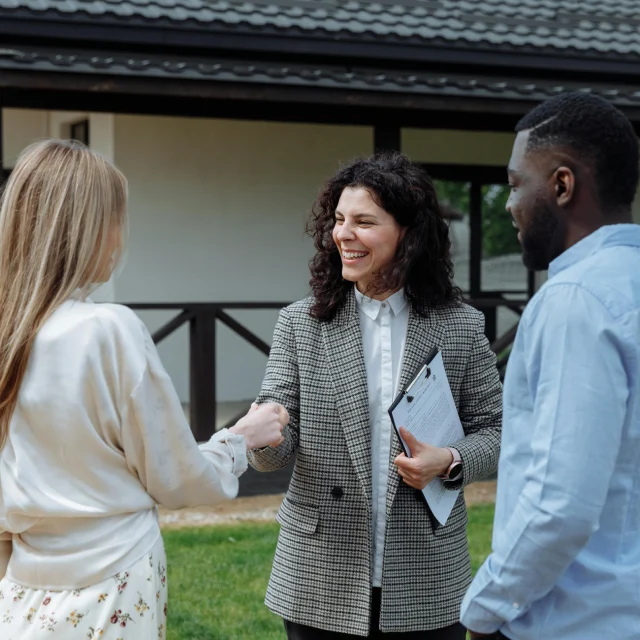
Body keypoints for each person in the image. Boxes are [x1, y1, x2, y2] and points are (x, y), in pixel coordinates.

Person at [0, 139, 288, 639]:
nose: (119, 237)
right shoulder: (107, 330)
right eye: (115, 219)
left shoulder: (11, 334)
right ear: (87, 228)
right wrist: (239, 440)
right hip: (112, 579)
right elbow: (174, 476)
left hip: (24, 582)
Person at [249, 152, 503, 639]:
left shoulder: (462, 327)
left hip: (426, 574)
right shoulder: (300, 324)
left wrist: (449, 460)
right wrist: (261, 435)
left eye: (364, 222)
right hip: (320, 572)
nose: (343, 234)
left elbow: (498, 431)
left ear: (407, 232)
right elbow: (276, 451)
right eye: (339, 220)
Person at [461, 92, 640, 640]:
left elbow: (559, 508)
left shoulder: (575, 300)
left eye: (516, 184)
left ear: (562, 186)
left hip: (575, 623)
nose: (509, 205)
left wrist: (483, 611)